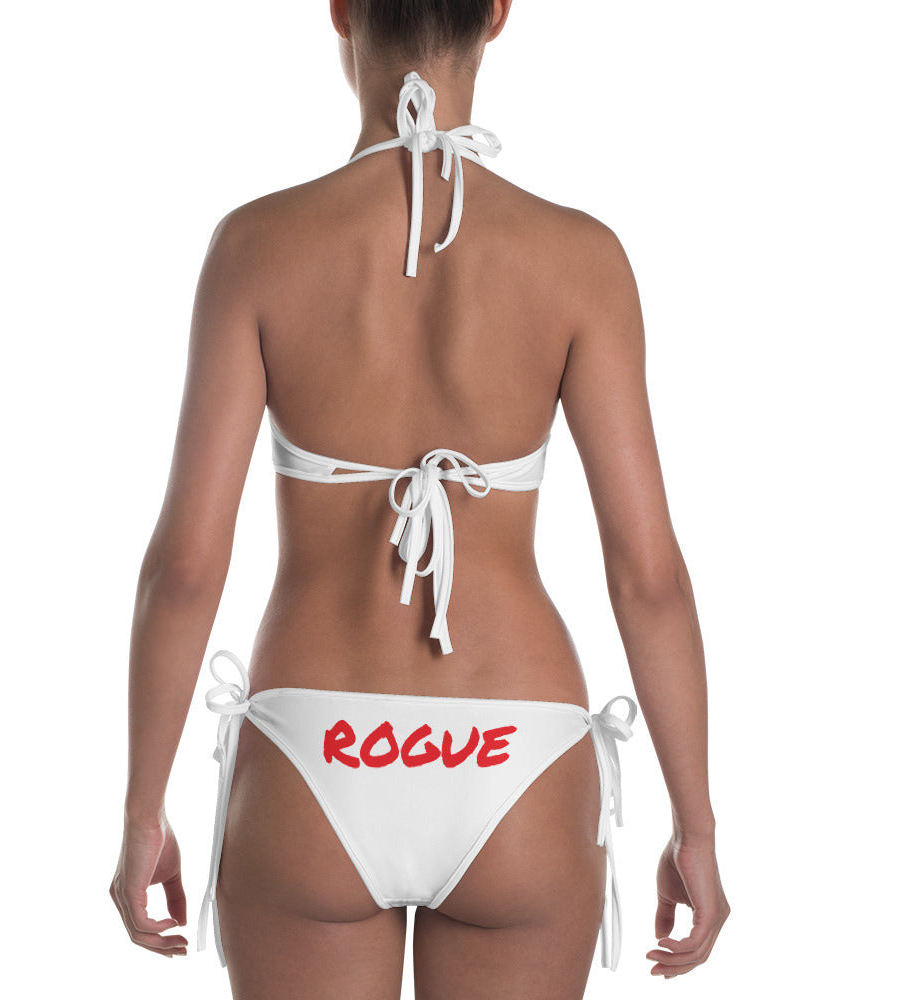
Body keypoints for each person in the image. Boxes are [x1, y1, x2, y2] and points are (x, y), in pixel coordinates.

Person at [109, 0, 730, 996]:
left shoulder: (258, 245)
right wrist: (695, 825)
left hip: (314, 758)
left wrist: (143, 810)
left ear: (340, 10)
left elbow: (184, 568)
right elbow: (648, 577)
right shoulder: (581, 258)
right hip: (516, 760)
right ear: (498, 13)